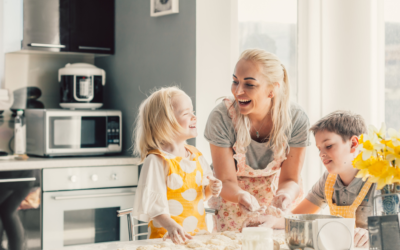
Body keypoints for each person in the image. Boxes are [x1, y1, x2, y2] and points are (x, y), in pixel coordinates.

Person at [204, 49, 310, 232]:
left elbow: (291, 179)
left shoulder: (296, 119)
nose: (238, 91)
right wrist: (240, 196)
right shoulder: (221, 117)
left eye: (249, 85)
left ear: (272, 90)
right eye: (235, 81)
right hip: (233, 202)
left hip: (276, 205)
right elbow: (225, 180)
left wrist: (285, 194)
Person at [132, 86, 222, 244]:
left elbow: (200, 195)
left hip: (197, 238)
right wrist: (171, 227)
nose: (194, 117)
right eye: (186, 113)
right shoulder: (157, 160)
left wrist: (211, 189)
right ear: (165, 123)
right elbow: (153, 206)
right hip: (167, 240)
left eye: (192, 111)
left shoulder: (196, 155)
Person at [291, 110, 374, 248]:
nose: (321, 154)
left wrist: (372, 235)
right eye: (319, 149)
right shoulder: (328, 179)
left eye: (328, 146)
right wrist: (269, 220)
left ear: (353, 144)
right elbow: (297, 217)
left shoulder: (382, 179)